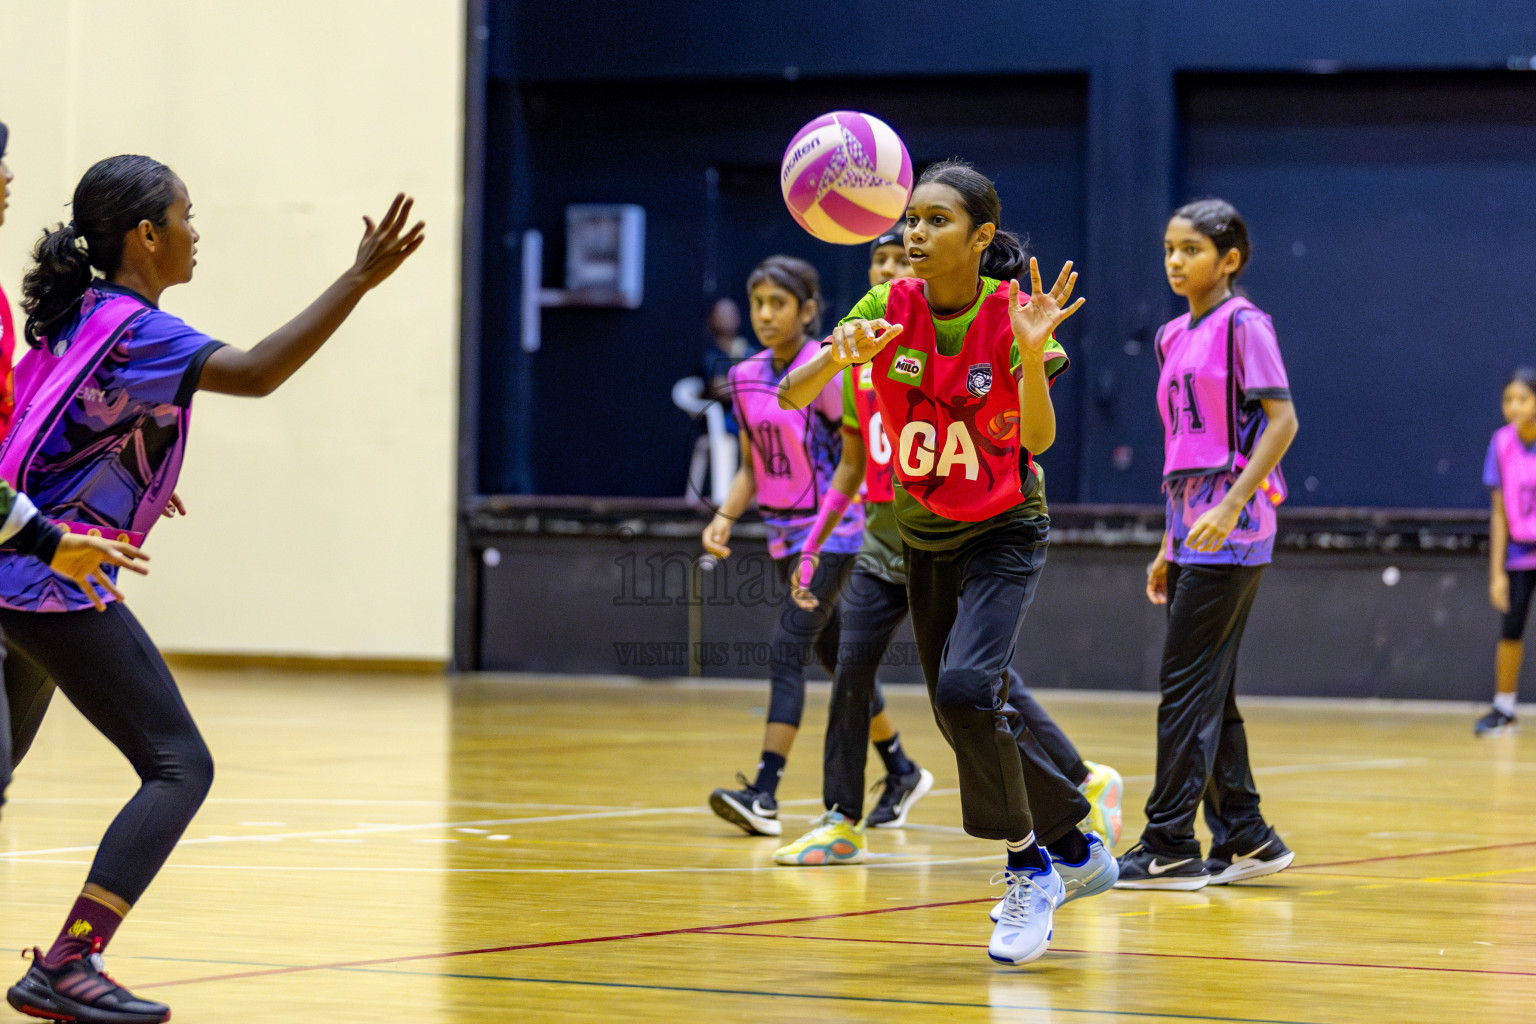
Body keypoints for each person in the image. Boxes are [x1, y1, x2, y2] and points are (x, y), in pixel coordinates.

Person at [2, 153, 422, 1024]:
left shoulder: (79, 314)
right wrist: (356, 280)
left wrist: (132, 460)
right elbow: (261, 370)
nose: (199, 233)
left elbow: (39, 429)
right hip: (46, 578)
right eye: (187, 216)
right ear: (145, 235)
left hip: (15, 566)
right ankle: (70, 962)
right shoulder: (137, 327)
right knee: (178, 764)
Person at [778, 159, 1113, 966]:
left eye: (935, 222)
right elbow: (791, 394)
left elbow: (1038, 442)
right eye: (911, 221)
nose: (914, 234)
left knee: (968, 690)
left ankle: (1029, 865)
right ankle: (1075, 839)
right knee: (963, 712)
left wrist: (1033, 357)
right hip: (922, 536)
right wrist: (832, 358)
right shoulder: (886, 304)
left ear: (981, 236)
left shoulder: (1011, 313)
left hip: (1003, 531)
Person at [703, 255, 927, 839]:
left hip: (836, 532)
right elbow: (752, 465)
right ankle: (901, 768)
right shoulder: (747, 376)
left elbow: (853, 454)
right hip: (782, 536)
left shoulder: (827, 370)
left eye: (779, 303)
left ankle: (765, 792)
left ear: (807, 311)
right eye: (758, 303)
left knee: (787, 649)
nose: (765, 314)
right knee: (837, 659)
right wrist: (725, 516)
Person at [1114, 198, 1298, 892]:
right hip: (1192, 526)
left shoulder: (1245, 326)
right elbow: (1180, 450)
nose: (1174, 261)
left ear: (1229, 261)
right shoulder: (1169, 337)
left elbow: (1282, 422)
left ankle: (1168, 843)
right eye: (1169, 248)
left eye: (1190, 249)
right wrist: (1169, 543)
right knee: (1208, 690)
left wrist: (1232, 502)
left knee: (1185, 688)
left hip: (1236, 527)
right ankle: (1246, 836)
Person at [1476, 367, 1536, 735]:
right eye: (1508, 400)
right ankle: (1504, 707)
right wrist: (1496, 571)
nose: (1515, 407)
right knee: (1510, 630)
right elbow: (1498, 513)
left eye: (1523, 398)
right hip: (1519, 553)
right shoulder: (1500, 443)